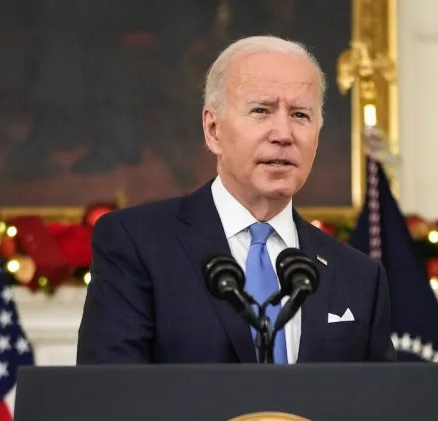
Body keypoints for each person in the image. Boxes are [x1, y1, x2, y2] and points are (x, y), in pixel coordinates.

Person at [77, 35, 396, 364]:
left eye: (300, 115)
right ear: (213, 129)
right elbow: (110, 398)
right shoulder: (137, 245)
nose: (284, 134)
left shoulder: (359, 277)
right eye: (261, 111)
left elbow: (379, 409)